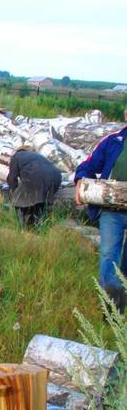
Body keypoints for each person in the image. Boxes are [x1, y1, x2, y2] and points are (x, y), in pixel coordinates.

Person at [74, 106, 127, 314]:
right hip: (111, 209)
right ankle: (111, 307)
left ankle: (122, 303)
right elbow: (88, 165)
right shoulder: (113, 141)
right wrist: (80, 181)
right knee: (108, 255)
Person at [7, 147, 62, 227]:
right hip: (56, 176)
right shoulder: (36, 156)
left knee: (22, 202)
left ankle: (27, 227)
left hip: (36, 173)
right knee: (40, 201)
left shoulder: (17, 156)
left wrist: (13, 197)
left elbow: (12, 179)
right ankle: (41, 226)